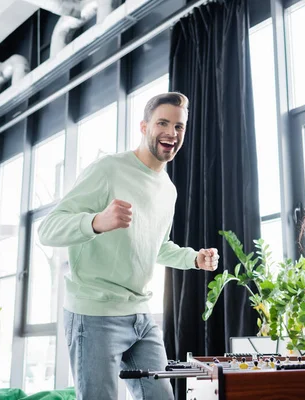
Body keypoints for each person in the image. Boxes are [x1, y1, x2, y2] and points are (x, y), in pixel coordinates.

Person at [38, 92, 219, 400]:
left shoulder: (168, 189)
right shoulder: (108, 169)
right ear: (143, 126)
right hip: (94, 314)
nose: (171, 133)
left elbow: (156, 246)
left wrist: (194, 258)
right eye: (163, 123)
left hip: (140, 316)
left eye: (179, 127)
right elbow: (47, 230)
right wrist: (96, 221)